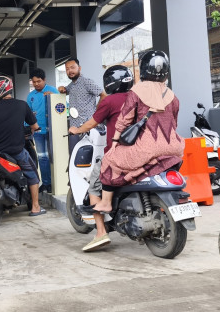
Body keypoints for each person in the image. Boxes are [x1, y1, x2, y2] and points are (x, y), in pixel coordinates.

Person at [92, 50, 185, 214]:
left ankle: (106, 203)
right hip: (175, 147)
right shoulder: (173, 96)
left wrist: (114, 143)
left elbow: (124, 120)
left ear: (143, 69)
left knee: (108, 159)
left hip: (147, 149)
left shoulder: (137, 91)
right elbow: (174, 122)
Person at [68, 65, 133, 252]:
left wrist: (77, 129)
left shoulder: (110, 101)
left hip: (117, 153)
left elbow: (92, 122)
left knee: (94, 185)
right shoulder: (138, 99)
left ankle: (101, 232)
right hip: (141, 152)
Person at [0, 75, 45, 216]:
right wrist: (30, 130)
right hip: (14, 150)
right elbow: (35, 126)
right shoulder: (22, 105)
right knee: (32, 174)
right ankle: (35, 207)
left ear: (0, 90)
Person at [58, 58, 106, 153]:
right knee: (74, 158)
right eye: (67, 69)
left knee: (87, 160)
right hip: (74, 129)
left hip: (88, 129)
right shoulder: (72, 85)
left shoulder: (87, 82)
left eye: (72, 67)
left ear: (79, 68)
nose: (70, 71)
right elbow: (64, 91)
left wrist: (97, 112)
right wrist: (60, 88)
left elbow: (103, 94)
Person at [26, 68, 58, 193]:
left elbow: (61, 108)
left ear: (44, 80)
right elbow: (27, 114)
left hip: (53, 130)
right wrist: (27, 129)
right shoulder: (31, 96)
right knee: (42, 157)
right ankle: (46, 183)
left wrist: (53, 97)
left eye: (39, 81)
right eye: (34, 82)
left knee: (54, 156)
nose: (36, 84)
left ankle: (57, 183)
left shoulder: (53, 91)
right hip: (38, 132)